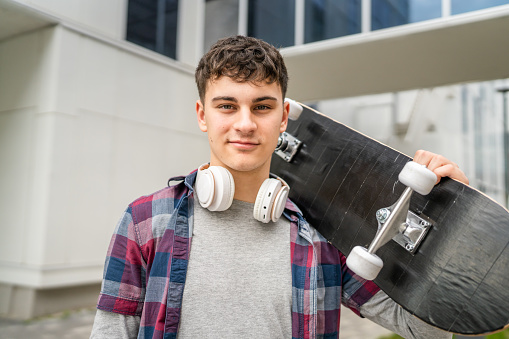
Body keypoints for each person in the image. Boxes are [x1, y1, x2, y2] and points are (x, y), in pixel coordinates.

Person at [90, 35, 469, 339]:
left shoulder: (324, 232)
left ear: (284, 116)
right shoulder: (145, 221)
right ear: (202, 116)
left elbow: (423, 328)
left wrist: (452, 224)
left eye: (261, 107)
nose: (244, 124)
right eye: (226, 106)